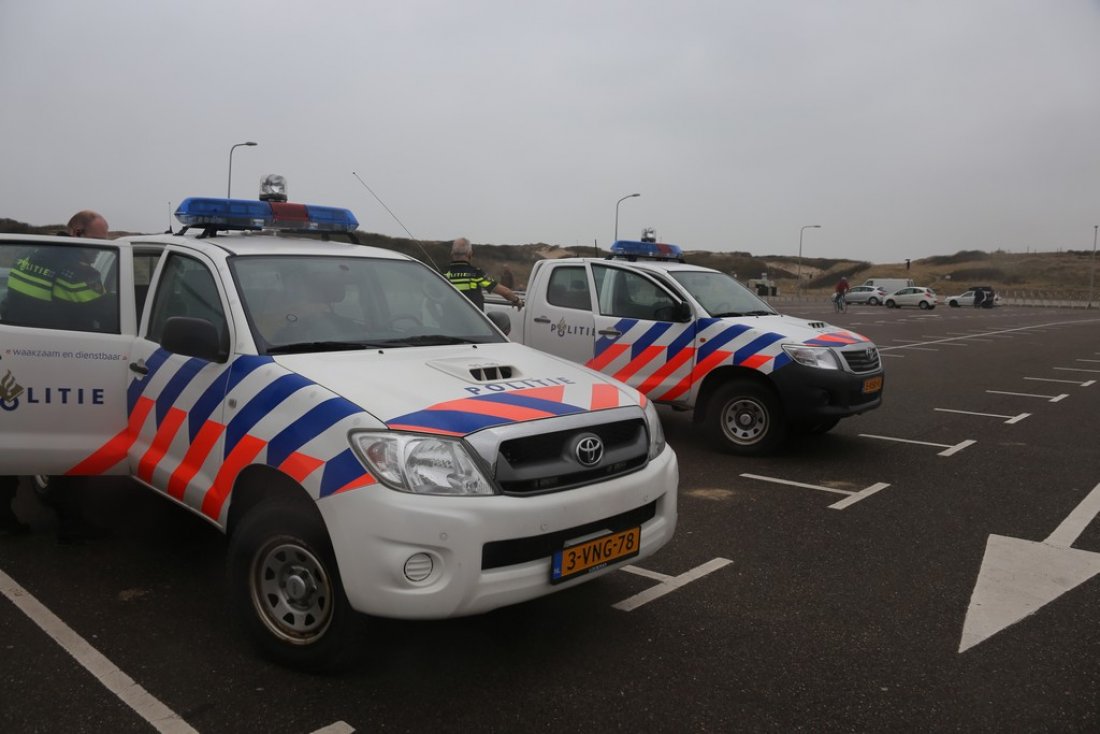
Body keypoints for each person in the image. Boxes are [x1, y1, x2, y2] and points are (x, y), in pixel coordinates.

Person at [2, 210, 110, 543]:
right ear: (77, 232)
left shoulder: (32, 253)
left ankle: (4, 517)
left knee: (12, 438)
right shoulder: (77, 270)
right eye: (97, 240)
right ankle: (71, 523)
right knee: (70, 445)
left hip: (17, 355)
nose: (101, 247)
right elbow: (102, 315)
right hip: (60, 363)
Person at [444, 237, 522, 311]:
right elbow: (505, 292)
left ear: (452, 253)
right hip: (472, 323)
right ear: (470, 254)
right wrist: (517, 300)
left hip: (449, 322)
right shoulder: (476, 274)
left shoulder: (444, 276)